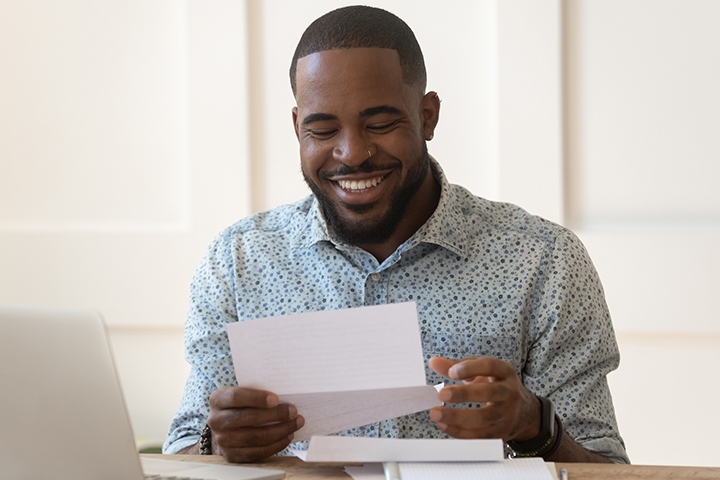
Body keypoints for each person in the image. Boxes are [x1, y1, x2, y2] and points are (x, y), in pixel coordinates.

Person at [164, 5, 629, 464]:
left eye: (381, 125)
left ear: (427, 116)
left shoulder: (544, 261)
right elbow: (180, 451)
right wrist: (217, 443)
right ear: (296, 127)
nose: (352, 154)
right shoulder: (239, 260)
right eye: (322, 129)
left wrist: (534, 425)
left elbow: (606, 470)